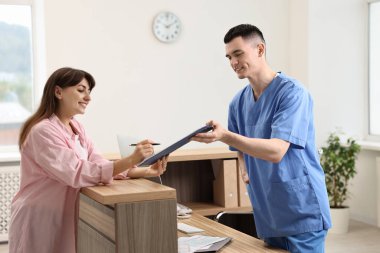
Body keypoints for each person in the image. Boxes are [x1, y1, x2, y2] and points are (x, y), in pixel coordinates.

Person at [192, 24, 331, 253]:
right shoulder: (238, 103)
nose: (233, 62)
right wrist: (243, 166)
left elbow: (276, 151)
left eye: (238, 54)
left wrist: (225, 135)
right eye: (229, 57)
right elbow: (238, 147)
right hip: (268, 211)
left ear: (259, 49)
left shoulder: (293, 93)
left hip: (301, 208)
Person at [8, 67, 168, 253]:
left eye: (89, 92)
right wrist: (131, 158)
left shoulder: (76, 127)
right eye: (81, 90)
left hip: (62, 213)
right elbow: (76, 171)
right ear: (58, 92)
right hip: (40, 216)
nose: (88, 97)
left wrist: (143, 170)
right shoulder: (43, 131)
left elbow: (97, 161)